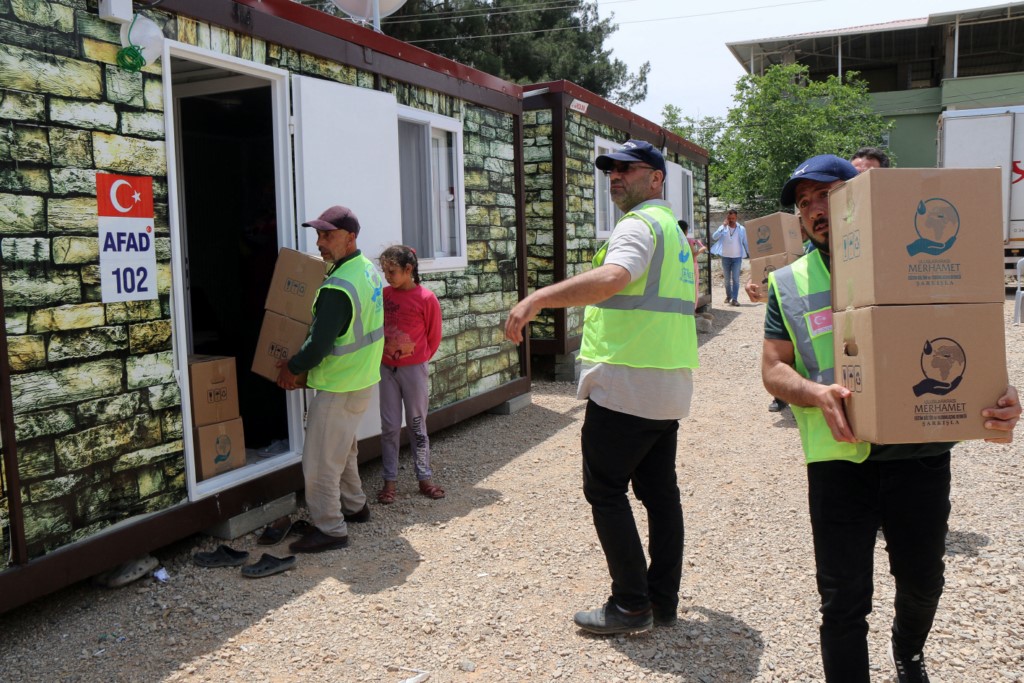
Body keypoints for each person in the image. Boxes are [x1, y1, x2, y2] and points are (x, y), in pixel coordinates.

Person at [761, 154, 1021, 683]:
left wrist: (1000, 398)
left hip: (919, 457)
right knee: (842, 600)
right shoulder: (787, 282)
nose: (814, 208)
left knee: (923, 580)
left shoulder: (918, 263)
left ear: (859, 198)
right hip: (839, 461)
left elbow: (966, 340)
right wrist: (811, 391)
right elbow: (773, 369)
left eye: (825, 194)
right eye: (804, 201)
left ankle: (909, 654)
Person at [505, 139, 698, 635]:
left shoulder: (637, 225)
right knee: (660, 494)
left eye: (627, 169)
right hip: (667, 382)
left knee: (605, 489)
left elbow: (614, 277)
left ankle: (631, 604)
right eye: (610, 169)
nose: (615, 176)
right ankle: (663, 600)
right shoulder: (673, 232)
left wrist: (539, 298)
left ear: (656, 178)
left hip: (627, 381)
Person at [275, 205, 385, 553]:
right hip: (361, 378)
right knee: (345, 449)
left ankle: (331, 528)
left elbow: (319, 344)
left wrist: (292, 368)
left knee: (320, 461)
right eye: (319, 235)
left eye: (328, 235)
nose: (321, 242)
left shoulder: (338, 286)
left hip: (339, 385)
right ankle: (355, 507)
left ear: (350, 237)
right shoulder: (365, 269)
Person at [376, 245, 445, 504]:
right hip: (386, 370)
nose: (387, 276)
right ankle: (389, 480)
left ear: (409, 270)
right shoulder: (383, 296)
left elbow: (433, 337)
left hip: (413, 370)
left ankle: (424, 477)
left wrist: (417, 360)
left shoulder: (426, 299)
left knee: (417, 425)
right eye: (384, 271)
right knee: (390, 426)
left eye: (392, 271)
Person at [710, 208, 748, 306]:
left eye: (733, 218)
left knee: (735, 279)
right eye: (729, 218)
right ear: (727, 217)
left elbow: (745, 243)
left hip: (737, 258)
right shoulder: (723, 228)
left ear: (736, 218)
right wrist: (723, 226)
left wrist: (750, 255)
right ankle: (729, 296)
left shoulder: (741, 229)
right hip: (725, 257)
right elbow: (714, 237)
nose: (731, 220)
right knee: (727, 280)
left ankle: (735, 299)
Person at [679, 219, 706, 304]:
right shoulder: (689, 241)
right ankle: (693, 309)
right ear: (686, 230)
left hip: (680, 265)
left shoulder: (675, 240)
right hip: (691, 265)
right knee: (694, 287)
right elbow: (693, 255)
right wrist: (701, 250)